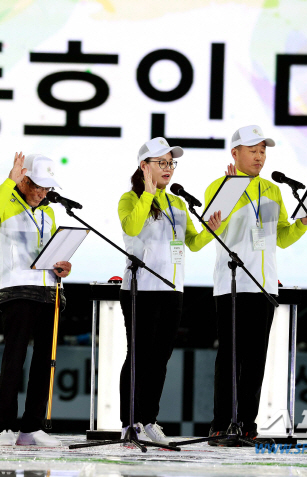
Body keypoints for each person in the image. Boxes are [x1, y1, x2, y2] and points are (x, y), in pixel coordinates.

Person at [204, 125, 307, 445]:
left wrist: (303, 223)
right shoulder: (219, 186)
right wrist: (233, 189)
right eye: (253, 151)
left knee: (256, 359)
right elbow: (213, 229)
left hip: (265, 285)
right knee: (230, 357)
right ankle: (220, 424)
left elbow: (280, 237)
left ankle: (247, 425)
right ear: (235, 154)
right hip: (233, 283)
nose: (259, 156)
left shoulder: (272, 190)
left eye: (263, 151)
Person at [118, 137, 222, 445]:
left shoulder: (177, 202)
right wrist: (148, 195)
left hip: (172, 289)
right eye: (161, 163)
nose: (168, 169)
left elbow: (191, 242)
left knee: (160, 358)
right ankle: (130, 422)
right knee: (138, 356)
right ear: (144, 167)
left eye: (171, 163)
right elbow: (132, 228)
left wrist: (212, 230)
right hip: (141, 287)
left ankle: (149, 420)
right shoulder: (130, 198)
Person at [0, 152, 71, 447]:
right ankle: (5, 427)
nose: (43, 193)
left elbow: (52, 252)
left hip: (49, 291)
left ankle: (32, 427)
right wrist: (9, 181)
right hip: (17, 290)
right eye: (37, 186)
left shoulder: (49, 212)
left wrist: (63, 266)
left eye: (47, 188)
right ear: (23, 180)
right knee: (14, 360)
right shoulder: (3, 202)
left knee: (45, 362)